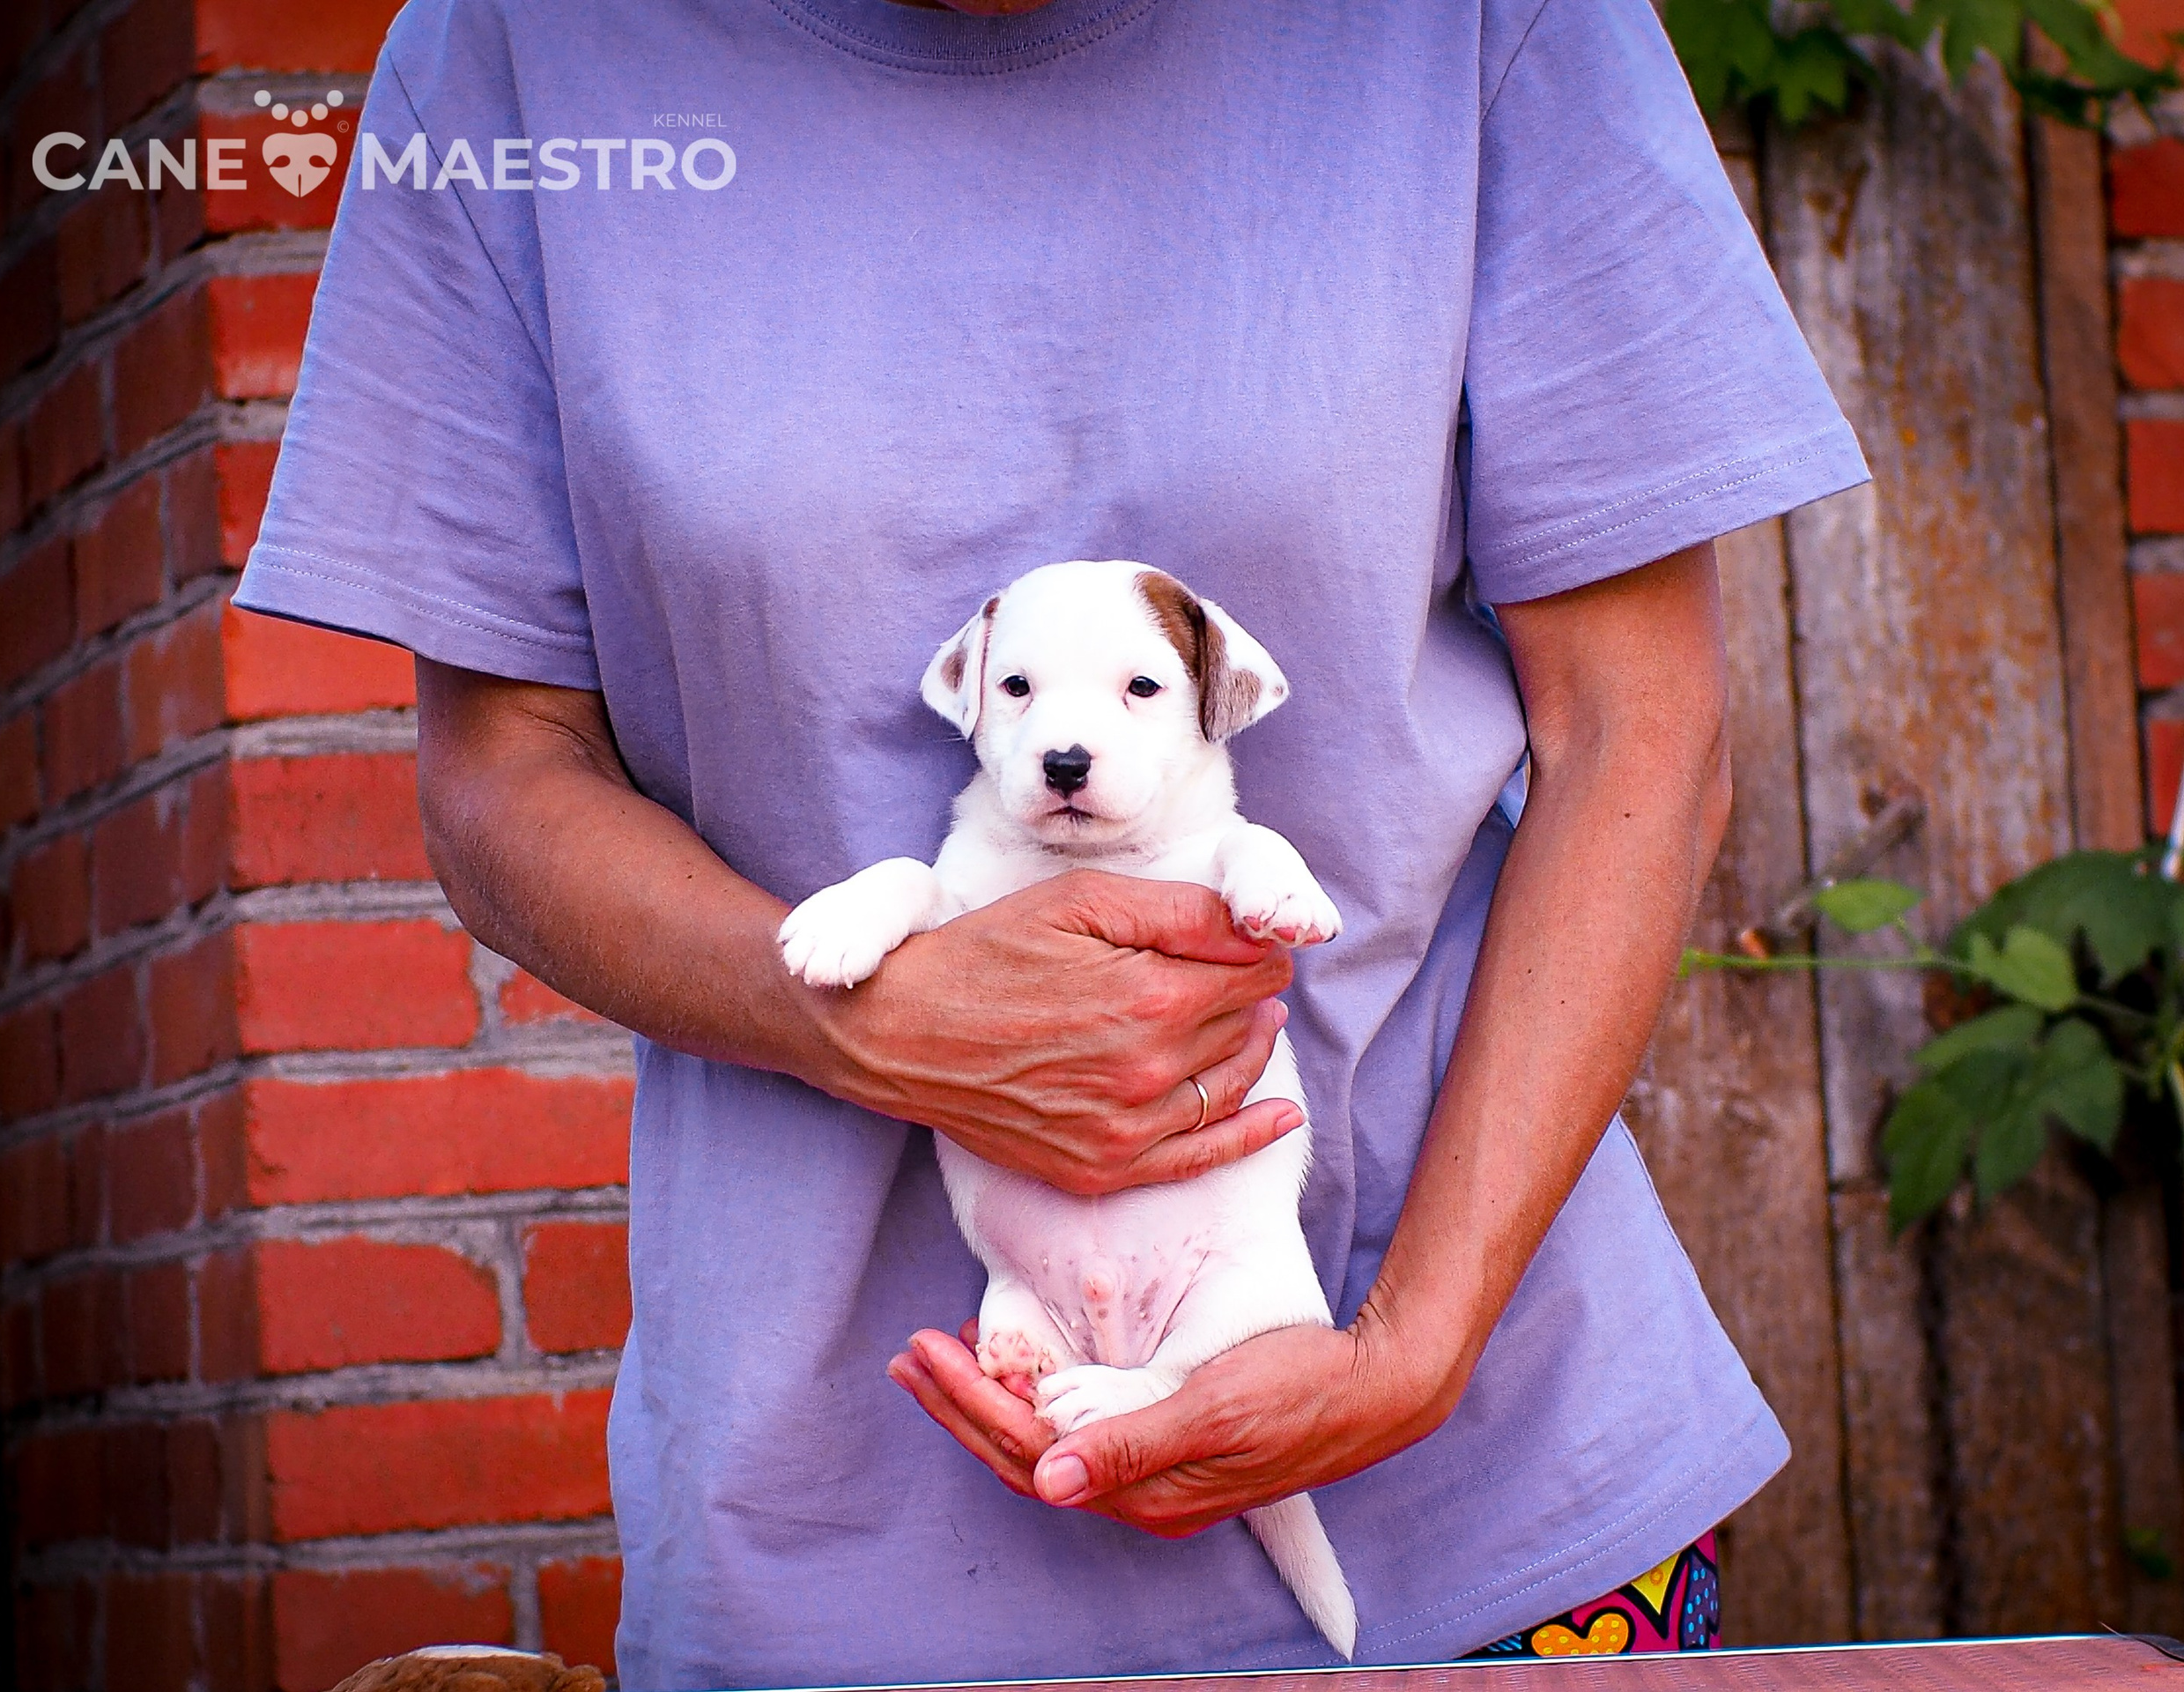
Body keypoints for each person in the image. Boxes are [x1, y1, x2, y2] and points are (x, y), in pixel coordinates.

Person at [233, 0, 1869, 1682]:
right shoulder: (516, 44)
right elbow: (501, 775)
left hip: (1485, 1482)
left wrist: (1410, 1349)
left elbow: (1640, 738)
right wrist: (864, 1014)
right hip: (843, 1544)